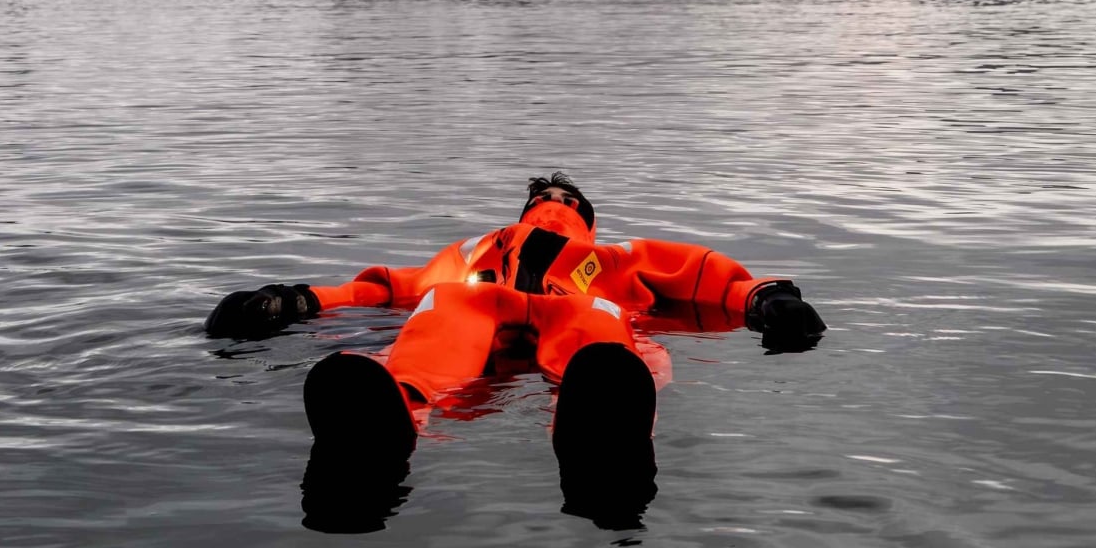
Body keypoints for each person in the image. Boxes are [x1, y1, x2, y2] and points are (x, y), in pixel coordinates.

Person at [205, 172, 825, 457]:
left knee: (600, 325)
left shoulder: (613, 257)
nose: (553, 202)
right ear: (525, 208)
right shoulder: (473, 251)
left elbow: (702, 272)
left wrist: (765, 297)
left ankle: (596, 415)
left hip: (582, 314)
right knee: (445, 301)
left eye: (566, 197)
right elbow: (390, 287)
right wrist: (296, 299)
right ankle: (398, 404)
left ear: (585, 215)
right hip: (479, 308)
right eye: (543, 196)